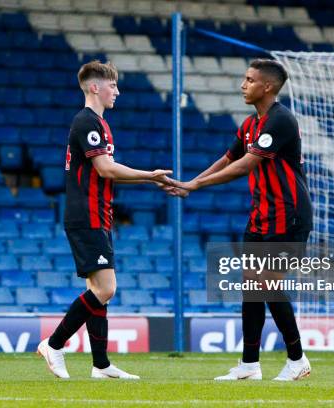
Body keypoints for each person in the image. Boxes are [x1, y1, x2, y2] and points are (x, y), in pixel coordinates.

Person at [167, 59, 313, 381]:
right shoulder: (250, 125)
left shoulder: (281, 121)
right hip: (262, 215)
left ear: (268, 87)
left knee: (267, 284)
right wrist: (190, 183)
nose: (242, 85)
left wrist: (196, 185)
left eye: (249, 80)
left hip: (288, 216)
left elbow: (246, 165)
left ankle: (297, 359)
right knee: (252, 287)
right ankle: (249, 365)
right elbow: (228, 158)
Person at [37, 60, 172, 379]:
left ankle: (101, 365)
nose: (118, 92)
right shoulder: (87, 122)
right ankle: (54, 344)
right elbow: (106, 169)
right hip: (87, 214)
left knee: (97, 287)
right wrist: (149, 176)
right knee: (106, 288)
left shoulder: (97, 123)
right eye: (113, 86)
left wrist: (146, 179)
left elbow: (106, 170)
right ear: (95, 87)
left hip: (96, 213)